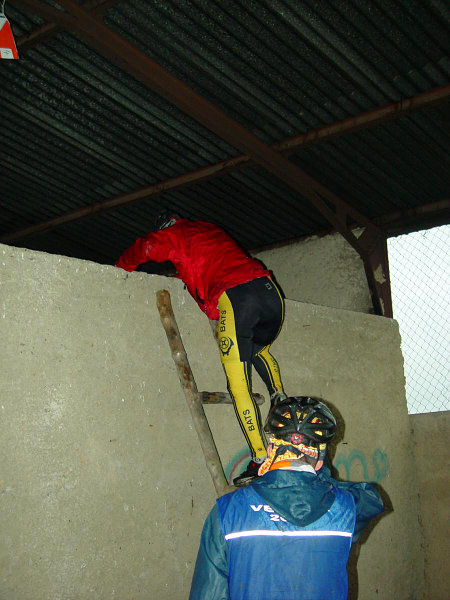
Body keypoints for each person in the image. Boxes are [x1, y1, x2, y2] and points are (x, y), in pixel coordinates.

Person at [116, 211, 287, 486]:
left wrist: (120, 267)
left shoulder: (175, 235)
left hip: (238, 298)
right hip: (269, 292)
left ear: (165, 227)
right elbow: (204, 266)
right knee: (259, 350)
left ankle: (260, 459)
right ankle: (280, 397)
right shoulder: (207, 229)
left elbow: (147, 248)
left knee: (238, 386)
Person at [189, 396, 384, 600]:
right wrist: (320, 477)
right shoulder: (347, 509)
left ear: (271, 450)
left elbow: (208, 594)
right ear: (320, 461)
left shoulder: (227, 511)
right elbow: (372, 498)